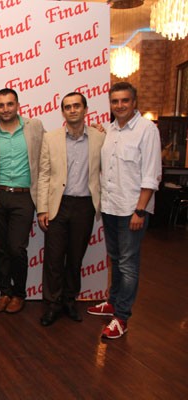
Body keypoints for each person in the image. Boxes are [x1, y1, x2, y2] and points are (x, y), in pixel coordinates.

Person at [87, 82, 162, 339]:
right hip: (110, 206)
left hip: (132, 209)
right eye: (115, 101)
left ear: (134, 102)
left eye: (125, 101)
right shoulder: (108, 130)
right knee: (116, 259)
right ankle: (113, 302)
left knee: (129, 264)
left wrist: (140, 210)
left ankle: (121, 317)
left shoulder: (147, 130)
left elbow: (152, 174)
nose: (120, 105)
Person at [36, 92, 105, 326]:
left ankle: (69, 301)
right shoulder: (50, 138)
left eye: (77, 106)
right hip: (58, 205)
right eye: (68, 107)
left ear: (85, 109)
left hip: (85, 205)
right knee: (53, 259)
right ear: (62, 112)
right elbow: (44, 175)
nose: (72, 110)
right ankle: (52, 305)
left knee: (75, 258)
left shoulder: (100, 138)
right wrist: (42, 209)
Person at [0, 88, 45, 314]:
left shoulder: (34, 126)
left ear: (18, 105)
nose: (6, 109)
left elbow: (52, 148)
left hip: (24, 196)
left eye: (10, 104)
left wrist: (95, 129)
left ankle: (19, 294)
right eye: (1, 105)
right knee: (0, 248)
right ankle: (4, 293)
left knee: (17, 248)